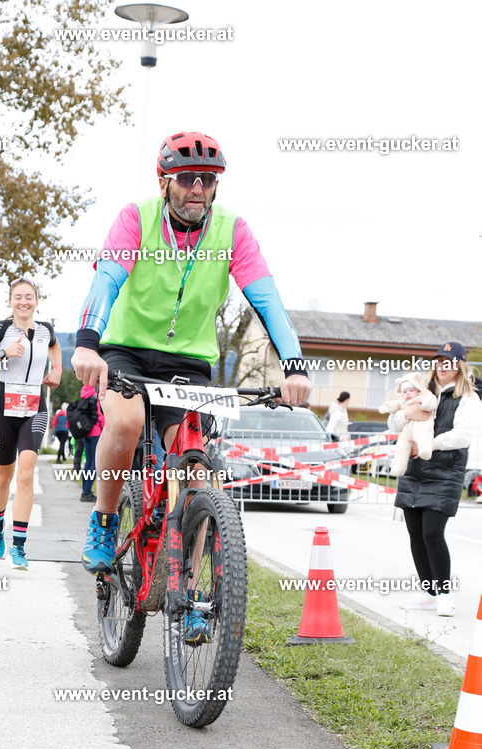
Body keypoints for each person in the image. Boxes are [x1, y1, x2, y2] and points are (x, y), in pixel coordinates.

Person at [71, 130, 311, 592]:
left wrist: (295, 365)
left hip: (189, 361)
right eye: (186, 179)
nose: (197, 188)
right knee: (124, 423)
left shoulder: (232, 230)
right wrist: (86, 341)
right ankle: (103, 519)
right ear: (164, 182)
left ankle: (192, 591)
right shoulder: (135, 218)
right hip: (127, 348)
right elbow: (106, 280)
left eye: (206, 178)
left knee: (198, 474)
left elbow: (266, 298)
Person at [0, 275, 63, 569]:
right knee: (3, 477)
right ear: (10, 302)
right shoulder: (0, 329)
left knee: (26, 474)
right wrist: (3, 353)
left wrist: (58, 368)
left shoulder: (47, 330)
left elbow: (55, 348)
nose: (24, 302)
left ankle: (19, 546)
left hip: (35, 407)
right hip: (5, 409)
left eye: (29, 297)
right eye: (18, 297)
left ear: (36, 301)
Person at [394, 342, 480, 617]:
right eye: (440, 361)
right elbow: (394, 422)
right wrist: (407, 413)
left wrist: (429, 443)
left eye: (450, 361)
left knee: (433, 533)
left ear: (459, 365)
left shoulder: (469, 397)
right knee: (415, 535)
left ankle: (443, 594)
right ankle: (428, 592)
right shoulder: (420, 389)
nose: (444, 366)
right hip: (413, 470)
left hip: (445, 471)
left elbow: (462, 436)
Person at [79, 384, 104, 503]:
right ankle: (87, 492)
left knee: (88, 462)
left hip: (86, 431)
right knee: (95, 462)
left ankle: (85, 490)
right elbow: (100, 415)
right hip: (96, 432)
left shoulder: (84, 394)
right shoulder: (96, 394)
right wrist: (105, 428)